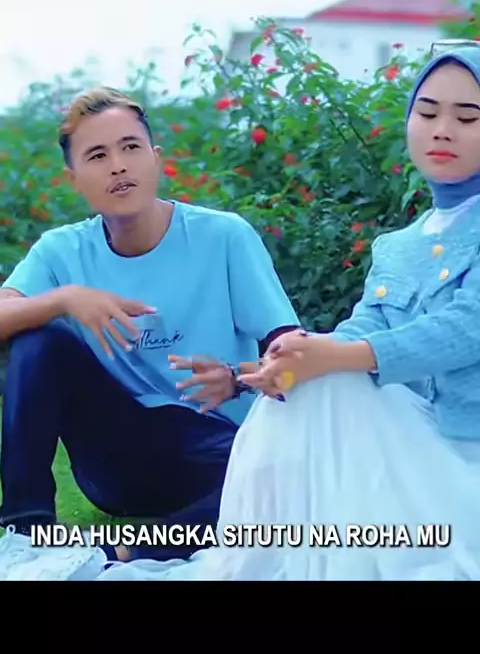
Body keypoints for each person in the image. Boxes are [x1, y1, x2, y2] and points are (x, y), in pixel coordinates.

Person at [96, 40, 480, 582]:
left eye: (468, 117)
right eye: (428, 112)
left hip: (465, 454)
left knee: (333, 377)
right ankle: (259, 554)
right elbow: (366, 324)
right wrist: (292, 358)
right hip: (411, 446)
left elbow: (465, 329)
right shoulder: (400, 247)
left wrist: (339, 356)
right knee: (303, 381)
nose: (442, 130)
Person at [0, 86, 300, 580]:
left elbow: (294, 361)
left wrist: (236, 377)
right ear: (74, 179)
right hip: (116, 459)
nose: (118, 166)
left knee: (291, 479)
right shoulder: (61, 251)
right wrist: (63, 299)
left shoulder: (223, 236)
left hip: (219, 451)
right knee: (40, 339)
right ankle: (24, 533)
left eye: (130, 147)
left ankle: (122, 553)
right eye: (98, 156)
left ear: (155, 157)